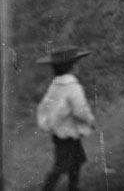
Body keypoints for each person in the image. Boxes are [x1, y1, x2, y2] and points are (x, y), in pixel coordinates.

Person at [36, 46, 97, 191]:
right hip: (68, 135)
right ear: (72, 67)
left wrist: (48, 122)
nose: (78, 66)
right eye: (76, 63)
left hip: (60, 133)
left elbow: (44, 106)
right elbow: (80, 110)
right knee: (60, 166)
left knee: (76, 161)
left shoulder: (55, 85)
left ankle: (73, 187)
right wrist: (90, 120)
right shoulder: (73, 87)